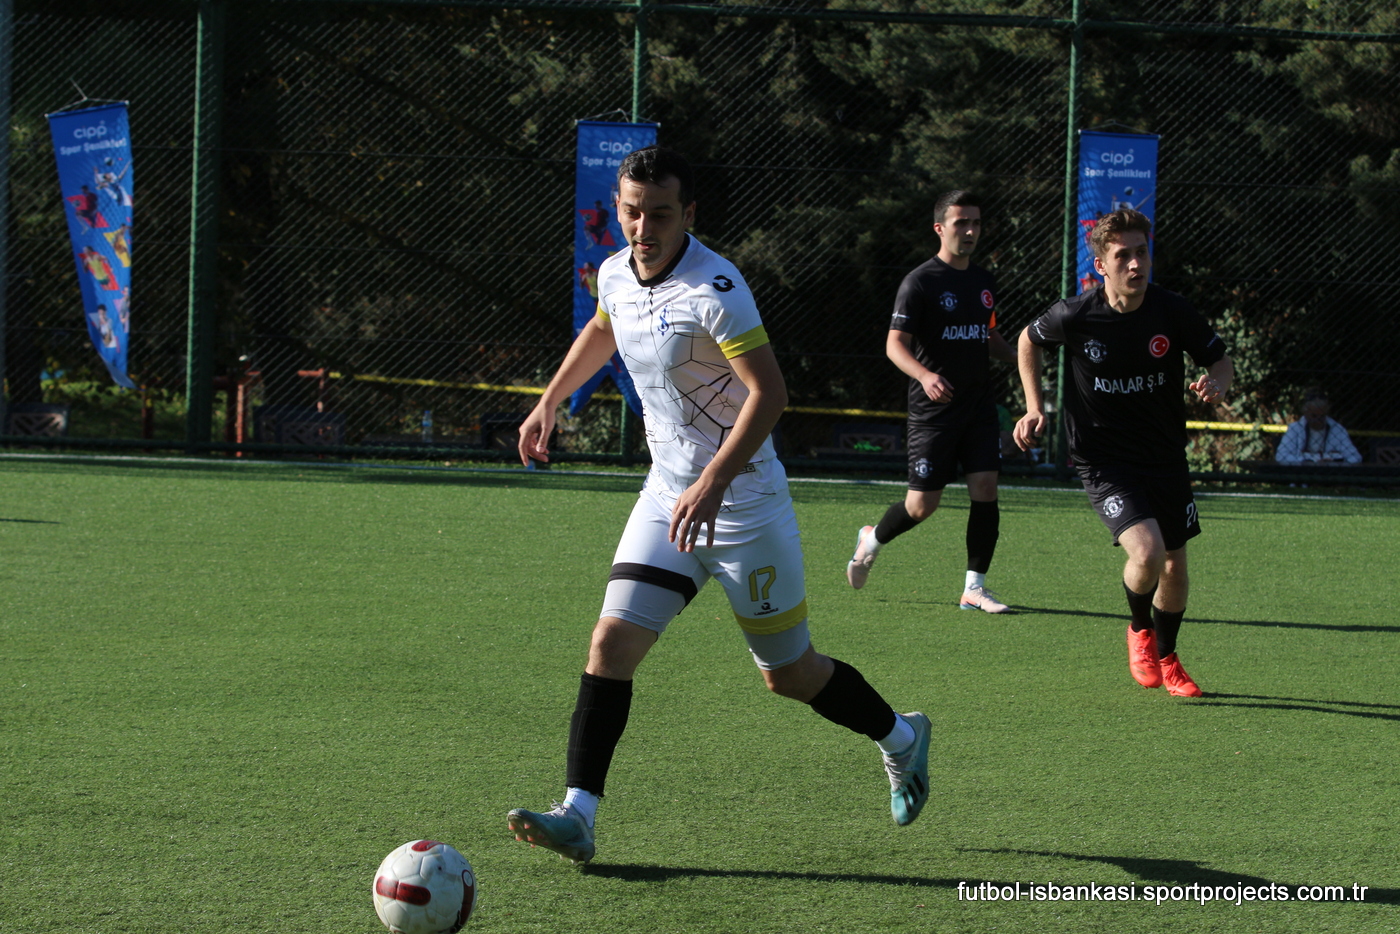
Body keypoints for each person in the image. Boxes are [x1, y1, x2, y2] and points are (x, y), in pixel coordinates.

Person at [507, 146, 932, 865]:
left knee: (788, 675)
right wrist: (550, 400)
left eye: (660, 214)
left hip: (745, 507)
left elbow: (770, 394)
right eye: (632, 212)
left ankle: (903, 737)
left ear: (689, 214)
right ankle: (578, 813)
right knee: (610, 645)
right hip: (668, 500)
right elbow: (604, 327)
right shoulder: (614, 272)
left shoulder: (716, 288)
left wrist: (713, 481)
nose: (643, 228)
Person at [1013, 208, 1234, 698]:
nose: (1136, 264)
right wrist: (1034, 407)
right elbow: (1028, 340)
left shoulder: (1172, 311)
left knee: (1175, 566)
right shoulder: (1075, 314)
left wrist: (1217, 382)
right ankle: (1139, 630)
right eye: (1123, 256)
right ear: (1100, 266)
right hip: (1104, 460)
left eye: (1141, 253)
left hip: (1164, 456)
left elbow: (1220, 360)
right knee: (1148, 551)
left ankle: (1169, 658)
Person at [846, 190, 1018, 613]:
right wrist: (924, 375)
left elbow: (988, 335)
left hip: (978, 406)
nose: (971, 231)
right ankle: (871, 540)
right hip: (934, 412)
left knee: (986, 488)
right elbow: (894, 345)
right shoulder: (919, 282)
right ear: (940, 228)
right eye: (962, 223)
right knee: (922, 506)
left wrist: (1022, 357)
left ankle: (974, 588)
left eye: (976, 223)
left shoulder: (984, 281)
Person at [1274, 392, 1362, 465]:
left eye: (1322, 416)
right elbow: (1281, 456)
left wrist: (1333, 463)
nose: (1318, 420)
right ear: (1306, 413)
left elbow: (1355, 458)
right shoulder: (1295, 429)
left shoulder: (1337, 430)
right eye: (1314, 416)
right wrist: (1308, 462)